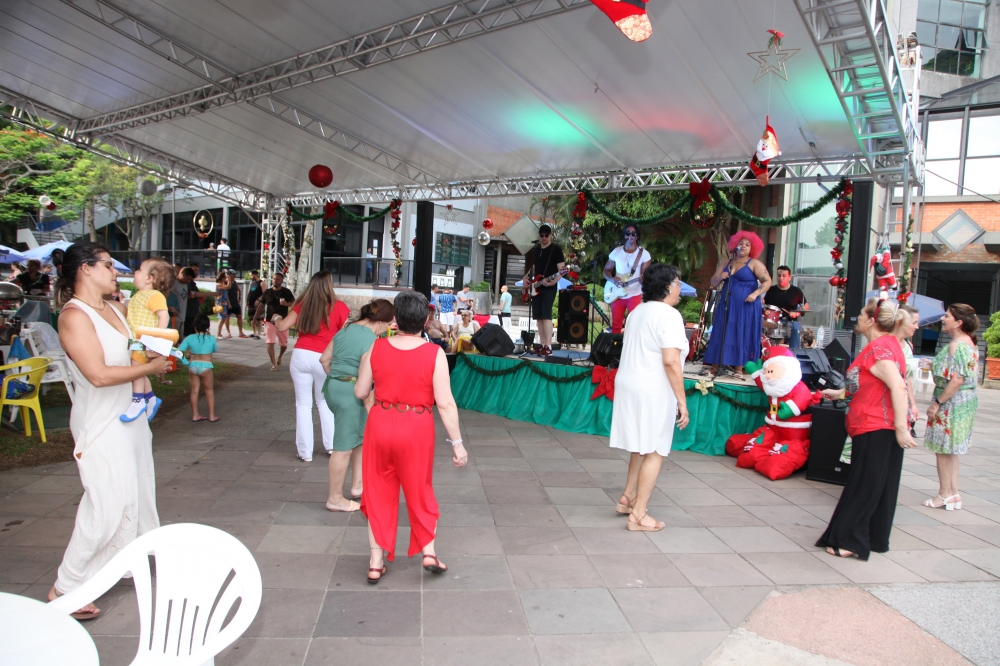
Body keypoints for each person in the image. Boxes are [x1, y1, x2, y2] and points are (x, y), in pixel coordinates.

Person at [48, 242, 169, 619]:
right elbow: (98, 375)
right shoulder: (74, 316)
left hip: (129, 418)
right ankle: (64, 587)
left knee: (136, 493)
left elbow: (131, 352)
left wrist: (154, 354)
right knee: (106, 503)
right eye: (108, 265)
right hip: (100, 420)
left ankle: (121, 563)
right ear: (85, 268)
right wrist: (149, 369)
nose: (116, 272)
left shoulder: (115, 307)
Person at [355, 291, 468, 584]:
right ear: (425, 320)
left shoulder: (376, 347)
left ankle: (375, 562)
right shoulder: (434, 353)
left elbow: (361, 391)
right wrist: (458, 444)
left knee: (378, 491)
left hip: (380, 423)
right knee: (420, 489)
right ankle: (428, 552)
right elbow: (445, 403)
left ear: (395, 318)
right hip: (416, 426)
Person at [816, 299, 916, 560]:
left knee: (865, 484)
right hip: (878, 424)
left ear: (871, 320)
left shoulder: (879, 348)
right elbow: (871, 385)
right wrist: (839, 394)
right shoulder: (889, 345)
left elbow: (898, 386)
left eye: (861, 313)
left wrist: (901, 428)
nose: (857, 317)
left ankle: (850, 540)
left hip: (875, 425)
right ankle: (873, 537)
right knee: (880, 485)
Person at [609, 263, 690, 531]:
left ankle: (628, 496)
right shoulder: (669, 315)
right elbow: (671, 361)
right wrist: (682, 401)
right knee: (656, 448)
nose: (680, 288)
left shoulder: (638, 311)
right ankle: (639, 514)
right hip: (652, 387)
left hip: (629, 382)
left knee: (640, 443)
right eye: (678, 283)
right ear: (667, 287)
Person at [320, 299, 394, 512]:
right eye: (388, 325)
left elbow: (324, 360)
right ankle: (334, 498)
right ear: (380, 322)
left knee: (359, 437)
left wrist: (338, 379)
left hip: (333, 387)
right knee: (343, 447)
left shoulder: (345, 329)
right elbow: (364, 383)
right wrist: (371, 409)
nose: (386, 330)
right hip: (351, 394)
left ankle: (358, 486)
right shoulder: (371, 341)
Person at [275, 271, 350, 462]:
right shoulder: (340, 307)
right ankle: (331, 445)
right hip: (324, 357)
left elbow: (282, 326)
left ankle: (305, 452)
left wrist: (276, 318)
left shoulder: (302, 305)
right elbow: (343, 337)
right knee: (324, 402)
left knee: (303, 404)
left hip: (301, 355)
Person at [923, 303, 980, 510]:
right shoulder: (970, 343)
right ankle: (953, 493)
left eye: (947, 316)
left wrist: (938, 403)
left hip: (951, 401)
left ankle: (944, 494)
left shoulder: (957, 345)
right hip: (965, 400)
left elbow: (957, 379)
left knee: (943, 449)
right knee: (951, 449)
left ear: (958, 322)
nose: (943, 319)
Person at [702, 231, 771, 380]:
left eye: (747, 244)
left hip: (746, 305)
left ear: (752, 248)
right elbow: (713, 282)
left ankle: (739, 368)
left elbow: (767, 281)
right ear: (735, 245)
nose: (743, 246)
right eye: (741, 243)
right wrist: (721, 277)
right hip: (727, 304)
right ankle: (715, 366)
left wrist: (755, 294)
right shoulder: (727, 262)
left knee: (741, 332)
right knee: (722, 331)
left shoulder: (754, 263)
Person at [120, 257, 175, 422]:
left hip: (145, 341)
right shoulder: (140, 295)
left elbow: (164, 316)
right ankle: (150, 397)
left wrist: (156, 340)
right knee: (139, 370)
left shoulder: (154, 295)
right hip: (137, 341)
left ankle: (138, 400)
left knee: (136, 369)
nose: (135, 272)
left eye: (139, 270)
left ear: (149, 278)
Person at [522, 224, 566, 355]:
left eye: (546, 235)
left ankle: (548, 346)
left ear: (551, 235)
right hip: (537, 286)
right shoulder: (536, 249)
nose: (544, 238)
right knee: (538, 317)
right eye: (542, 236)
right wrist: (526, 277)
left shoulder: (556, 249)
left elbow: (563, 270)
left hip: (549, 287)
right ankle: (542, 345)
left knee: (546, 316)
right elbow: (534, 268)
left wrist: (553, 281)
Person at [603, 223, 652, 334]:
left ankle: (631, 344)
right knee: (616, 324)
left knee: (634, 324)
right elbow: (606, 270)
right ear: (624, 235)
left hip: (634, 294)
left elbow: (645, 275)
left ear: (637, 236)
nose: (630, 236)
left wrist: (643, 281)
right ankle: (615, 344)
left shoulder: (644, 254)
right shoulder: (616, 251)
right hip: (617, 293)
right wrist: (611, 280)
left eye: (633, 233)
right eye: (628, 233)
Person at [177, 314, 219, 422]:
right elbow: (214, 349)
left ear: (195, 325)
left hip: (193, 365)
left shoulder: (189, 338)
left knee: (194, 391)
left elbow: (178, 351)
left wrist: (186, 362)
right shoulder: (211, 338)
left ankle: (195, 415)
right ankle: (211, 416)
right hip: (206, 365)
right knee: (209, 390)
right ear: (208, 326)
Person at [763, 265, 808, 348]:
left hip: (790, 321)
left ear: (789, 277)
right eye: (779, 275)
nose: (781, 278)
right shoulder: (770, 290)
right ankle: (766, 350)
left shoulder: (796, 291)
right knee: (760, 326)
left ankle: (794, 352)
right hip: (774, 320)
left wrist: (797, 313)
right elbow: (764, 305)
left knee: (796, 328)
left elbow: (805, 305)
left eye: (784, 276)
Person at [261, 273, 294, 370]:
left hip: (283, 322)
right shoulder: (267, 292)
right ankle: (273, 364)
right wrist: (255, 317)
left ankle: (280, 356)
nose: (275, 280)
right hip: (270, 321)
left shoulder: (286, 292)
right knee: (270, 342)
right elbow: (261, 305)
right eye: (274, 279)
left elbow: (294, 303)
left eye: (277, 279)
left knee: (284, 344)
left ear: (282, 281)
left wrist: (286, 304)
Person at [898, 304, 921, 436]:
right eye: (914, 322)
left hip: (904, 399)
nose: (917, 327)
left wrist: (912, 403)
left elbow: (909, 379)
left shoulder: (908, 345)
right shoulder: (887, 343)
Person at [220, 270, 247, 338]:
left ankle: (241, 332)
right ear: (229, 275)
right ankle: (228, 332)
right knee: (227, 317)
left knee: (239, 316)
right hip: (228, 302)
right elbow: (225, 290)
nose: (234, 276)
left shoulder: (235, 282)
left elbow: (239, 290)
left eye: (235, 275)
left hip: (235, 302)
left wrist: (239, 298)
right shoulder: (225, 282)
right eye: (233, 275)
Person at [170, 268, 192, 340]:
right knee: (174, 339)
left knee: (180, 339)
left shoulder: (185, 285)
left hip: (182, 317)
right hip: (175, 317)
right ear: (183, 274)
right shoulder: (173, 283)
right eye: (188, 279)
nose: (188, 281)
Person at [246, 270, 264, 339]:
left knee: (259, 318)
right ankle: (254, 332)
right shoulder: (251, 283)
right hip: (251, 303)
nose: (250, 277)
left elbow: (264, 293)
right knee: (251, 318)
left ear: (255, 275)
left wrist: (258, 300)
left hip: (258, 304)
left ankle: (259, 334)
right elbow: (249, 293)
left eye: (251, 275)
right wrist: (247, 302)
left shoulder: (262, 283)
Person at [214, 273, 231, 339]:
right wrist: (229, 279)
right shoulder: (219, 285)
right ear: (222, 278)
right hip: (220, 303)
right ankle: (218, 334)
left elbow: (226, 295)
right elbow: (228, 287)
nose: (226, 279)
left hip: (224, 303)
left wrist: (229, 303)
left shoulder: (223, 284)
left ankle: (220, 333)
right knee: (221, 318)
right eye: (225, 277)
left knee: (224, 318)